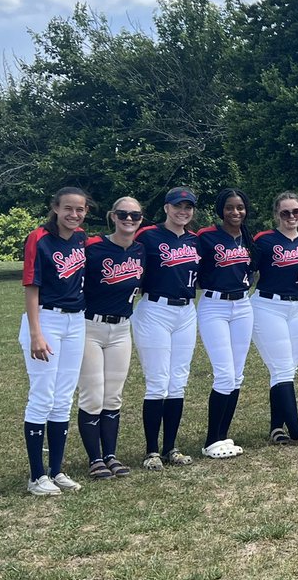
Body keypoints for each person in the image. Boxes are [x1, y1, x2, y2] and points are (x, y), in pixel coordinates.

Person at [19, 187, 89, 496]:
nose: (74, 214)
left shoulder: (81, 238)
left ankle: (56, 470)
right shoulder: (39, 238)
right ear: (56, 208)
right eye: (68, 208)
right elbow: (31, 287)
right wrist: (36, 333)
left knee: (63, 397)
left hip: (75, 321)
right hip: (46, 319)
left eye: (80, 209)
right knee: (42, 396)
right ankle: (36, 476)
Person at [132, 186, 202, 470]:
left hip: (186, 310)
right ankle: (151, 451)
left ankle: (170, 447)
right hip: (155, 309)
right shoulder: (148, 235)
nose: (182, 211)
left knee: (178, 381)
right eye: (177, 206)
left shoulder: (195, 240)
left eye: (188, 207)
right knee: (157, 381)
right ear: (166, 208)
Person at [77, 196, 144, 480]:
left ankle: (111, 456)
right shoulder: (93, 246)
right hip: (90, 326)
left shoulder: (140, 250)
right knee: (92, 395)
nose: (129, 219)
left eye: (135, 215)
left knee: (113, 395)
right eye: (123, 214)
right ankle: (95, 459)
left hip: (121, 328)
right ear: (112, 216)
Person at [251, 192, 298, 444]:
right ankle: (296, 429)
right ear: (277, 215)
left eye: (296, 211)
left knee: (286, 369)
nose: (291, 216)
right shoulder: (264, 240)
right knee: (282, 368)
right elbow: (248, 269)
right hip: (268, 306)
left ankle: (276, 428)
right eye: (285, 212)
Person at [196, 188, 254, 458]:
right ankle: (211, 440)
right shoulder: (206, 236)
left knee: (237, 375)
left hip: (243, 305)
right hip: (214, 305)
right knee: (224, 374)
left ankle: (222, 436)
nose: (235, 212)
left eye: (240, 207)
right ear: (221, 209)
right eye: (230, 207)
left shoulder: (248, 237)